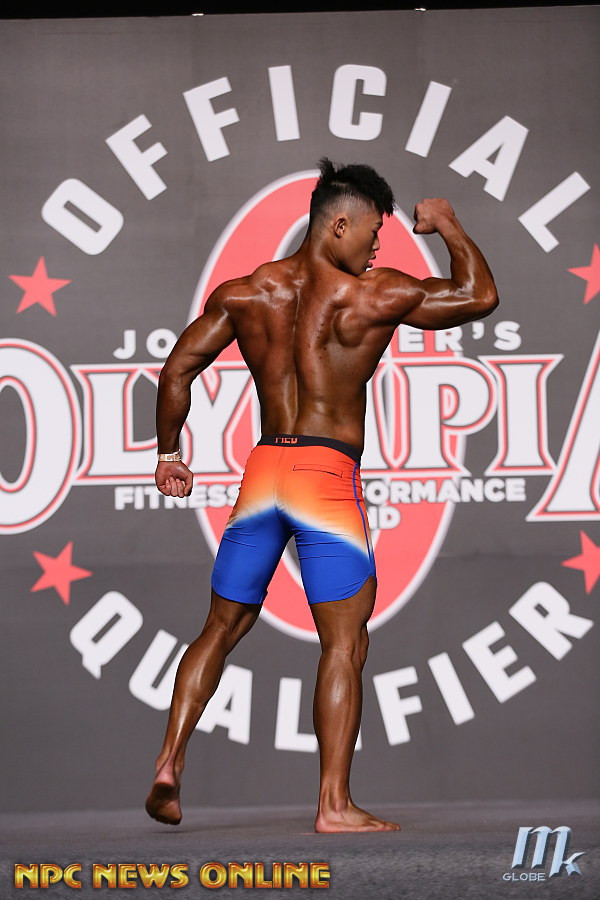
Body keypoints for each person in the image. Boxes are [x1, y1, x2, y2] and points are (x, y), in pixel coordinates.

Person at [145, 158, 498, 833]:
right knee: (343, 643)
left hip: (264, 474)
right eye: (372, 233)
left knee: (220, 627)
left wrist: (168, 454)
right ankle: (333, 804)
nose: (377, 249)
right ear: (338, 224)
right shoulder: (371, 296)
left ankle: (168, 761)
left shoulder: (247, 293)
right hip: (325, 479)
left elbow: (177, 370)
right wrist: (448, 223)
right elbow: (478, 295)